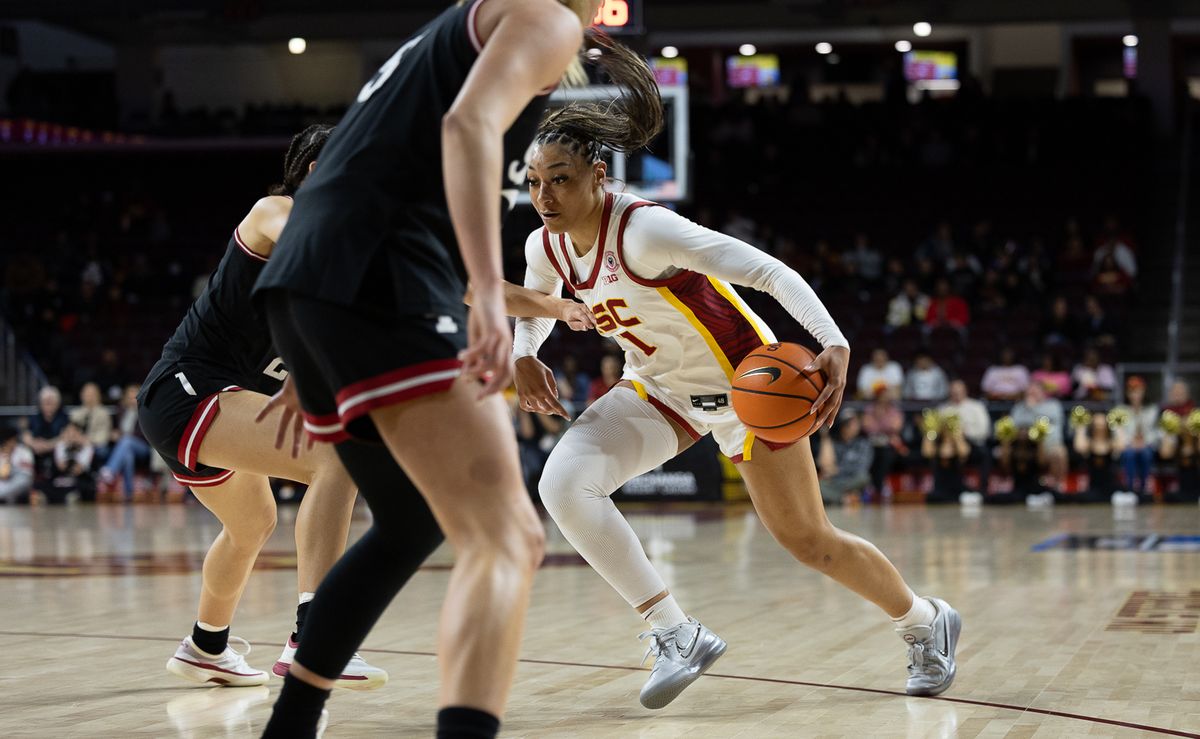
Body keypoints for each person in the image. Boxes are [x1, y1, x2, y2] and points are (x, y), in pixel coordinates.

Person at [513, 78, 961, 710]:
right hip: (657, 387)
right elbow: (532, 305)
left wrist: (832, 339)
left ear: (597, 174)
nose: (543, 195)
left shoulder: (646, 231)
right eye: (532, 181)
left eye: (558, 179)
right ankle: (676, 632)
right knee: (562, 485)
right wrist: (524, 353)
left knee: (809, 542)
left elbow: (768, 271)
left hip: (745, 387)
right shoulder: (544, 242)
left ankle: (923, 620)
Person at [251, 3, 611, 736]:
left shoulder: (451, 27)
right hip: (381, 274)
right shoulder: (544, 16)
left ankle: (289, 726)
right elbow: (466, 127)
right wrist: (484, 290)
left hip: (311, 281)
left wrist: (316, 339)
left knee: (412, 518)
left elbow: (370, 159)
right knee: (508, 536)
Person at [1108, 375, 1159, 498]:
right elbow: (1116, 431)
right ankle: (1130, 489)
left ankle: (1143, 488)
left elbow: (1156, 432)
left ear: (1143, 391)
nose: (1135, 395)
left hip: (1147, 445)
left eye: (1138, 391)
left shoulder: (1152, 409)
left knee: (1146, 454)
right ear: (1127, 393)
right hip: (1127, 445)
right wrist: (1130, 442)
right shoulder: (1119, 410)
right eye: (1132, 391)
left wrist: (1145, 442)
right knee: (1129, 454)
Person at [97, 384, 151, 498]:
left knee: (126, 440)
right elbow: (116, 428)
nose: (132, 400)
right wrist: (114, 434)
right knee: (127, 455)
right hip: (124, 447)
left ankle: (110, 470)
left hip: (143, 447)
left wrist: (123, 435)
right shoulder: (121, 410)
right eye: (129, 397)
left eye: (134, 397)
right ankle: (129, 492)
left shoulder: (145, 411)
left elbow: (146, 433)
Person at [939, 379, 991, 493]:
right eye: (953, 391)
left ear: (965, 391)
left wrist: (964, 432)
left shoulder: (977, 407)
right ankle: (945, 490)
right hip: (949, 445)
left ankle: (982, 490)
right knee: (939, 453)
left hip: (973, 443)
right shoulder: (943, 409)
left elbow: (984, 431)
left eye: (959, 391)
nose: (956, 394)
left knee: (983, 453)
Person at [1011, 382, 1066, 487]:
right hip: (1025, 445)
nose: (1032, 395)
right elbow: (1015, 423)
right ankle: (1019, 486)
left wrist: (1033, 409)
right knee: (1007, 450)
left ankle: (1057, 487)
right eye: (1029, 392)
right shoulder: (1019, 407)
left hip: (1049, 444)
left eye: (1035, 392)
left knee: (1059, 453)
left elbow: (1048, 422)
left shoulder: (1053, 405)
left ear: (1043, 392)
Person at [816, 410, 874, 505]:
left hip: (852, 479)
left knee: (864, 477)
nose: (850, 427)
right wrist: (825, 437)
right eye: (847, 424)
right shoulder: (835, 444)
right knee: (818, 486)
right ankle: (844, 499)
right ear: (841, 426)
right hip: (837, 481)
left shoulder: (863, 444)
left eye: (852, 423)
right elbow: (826, 466)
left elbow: (862, 467)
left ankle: (837, 497)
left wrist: (837, 470)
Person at [861, 387, 906, 497]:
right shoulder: (870, 409)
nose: (886, 397)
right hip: (872, 444)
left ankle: (879, 485)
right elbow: (867, 426)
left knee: (885, 455)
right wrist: (884, 426)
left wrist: (878, 422)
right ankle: (871, 484)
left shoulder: (894, 410)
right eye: (883, 395)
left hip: (889, 445)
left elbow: (896, 426)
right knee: (869, 454)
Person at [21, 385, 68, 478]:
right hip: (36, 449)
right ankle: (27, 478)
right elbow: (26, 435)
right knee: (23, 450)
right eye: (45, 402)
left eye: (51, 402)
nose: (48, 405)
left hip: (55, 448)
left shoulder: (64, 418)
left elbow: (65, 437)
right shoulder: (34, 417)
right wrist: (34, 444)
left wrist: (48, 445)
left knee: (63, 448)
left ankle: (60, 477)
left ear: (57, 403)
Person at [47, 421, 94, 503]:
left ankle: (73, 497)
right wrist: (67, 447)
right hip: (62, 478)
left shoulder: (87, 447)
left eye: (73, 432)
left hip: (79, 479)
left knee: (84, 487)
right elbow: (61, 466)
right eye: (68, 432)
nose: (70, 435)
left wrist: (77, 447)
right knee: (49, 485)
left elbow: (78, 469)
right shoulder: (61, 446)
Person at [70, 381, 112, 464]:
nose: (89, 396)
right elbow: (71, 432)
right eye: (86, 393)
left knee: (101, 450)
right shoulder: (75, 413)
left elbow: (103, 437)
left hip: (96, 445)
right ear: (81, 395)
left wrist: (86, 440)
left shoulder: (104, 413)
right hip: (77, 444)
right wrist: (76, 439)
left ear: (98, 396)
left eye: (92, 394)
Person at [0, 425, 35, 505]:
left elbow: (27, 474)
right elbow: (3, 474)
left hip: (19, 480)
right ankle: (7, 498)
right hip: (4, 482)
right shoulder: (2, 451)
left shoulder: (23, 451)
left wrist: (10, 464)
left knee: (23, 480)